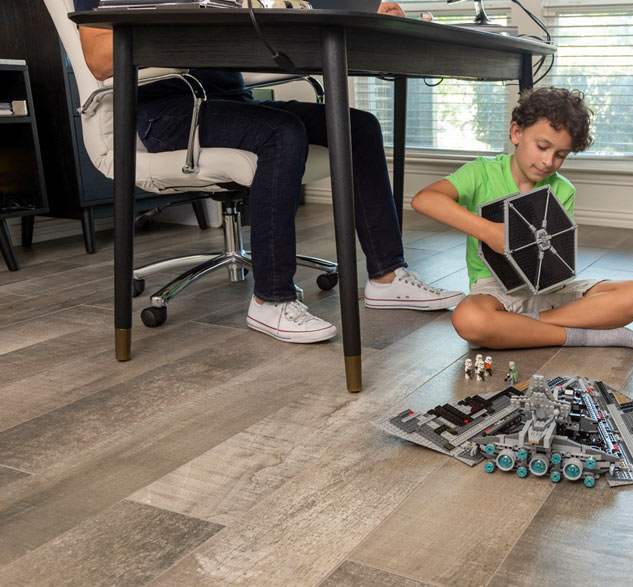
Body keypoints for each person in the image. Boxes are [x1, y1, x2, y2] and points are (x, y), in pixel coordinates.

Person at [75, 0, 463, 344]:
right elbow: (100, 60)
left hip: (234, 104)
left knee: (358, 127)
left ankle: (387, 278)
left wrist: (361, 13)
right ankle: (270, 299)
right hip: (170, 113)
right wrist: (192, 20)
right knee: (282, 133)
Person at [411, 87, 633, 350]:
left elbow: (554, 263)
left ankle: (522, 327)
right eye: (542, 147)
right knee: (468, 318)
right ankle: (580, 336)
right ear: (517, 132)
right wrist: (488, 231)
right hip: (496, 293)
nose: (548, 161)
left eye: (560, 155)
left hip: (551, 291)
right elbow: (425, 200)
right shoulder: (481, 173)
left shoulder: (563, 190)